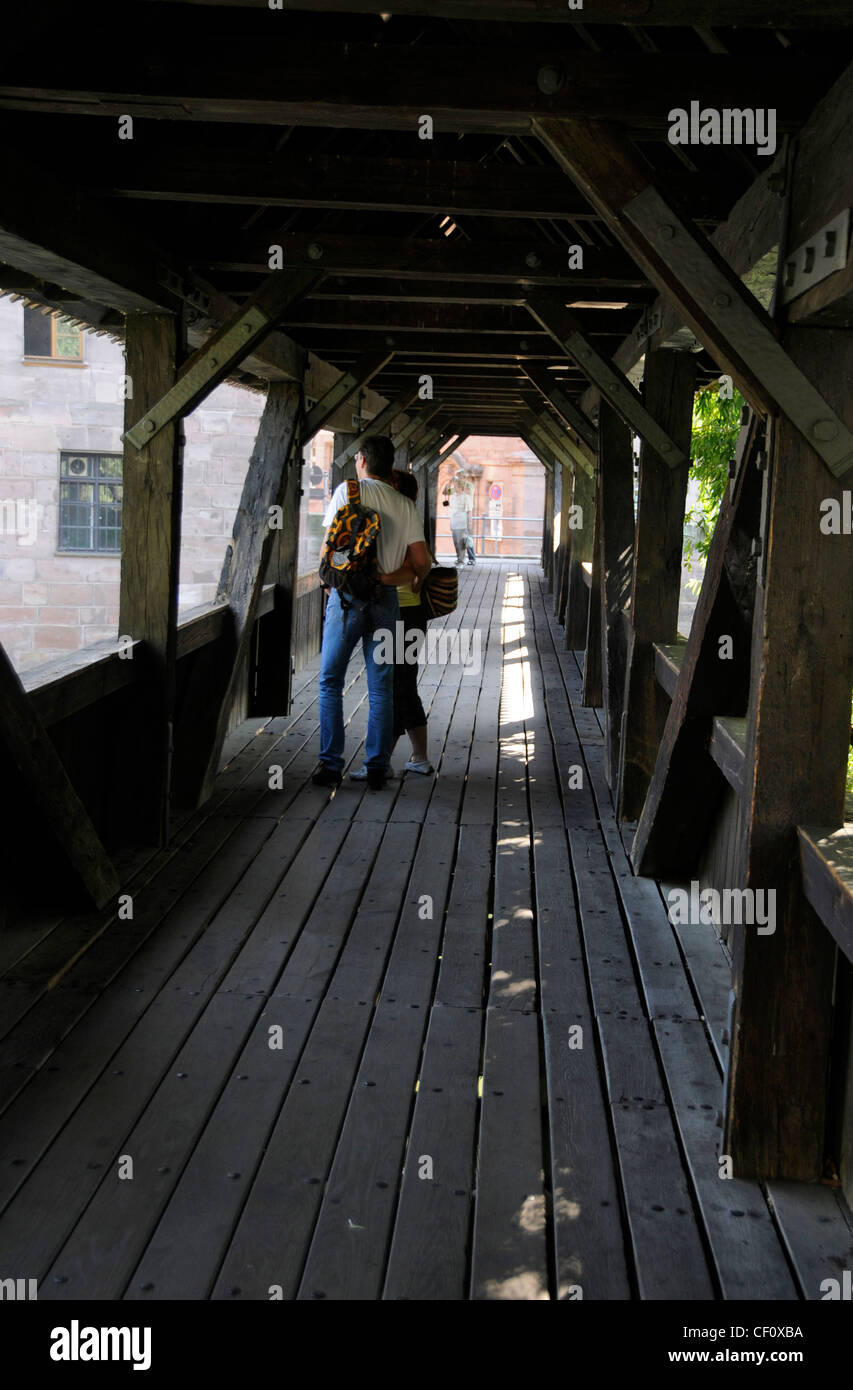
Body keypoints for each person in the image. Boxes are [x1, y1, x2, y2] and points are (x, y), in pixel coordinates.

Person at [313, 436, 431, 792]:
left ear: (362, 460)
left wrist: (331, 584)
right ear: (390, 464)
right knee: (381, 686)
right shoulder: (404, 503)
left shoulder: (346, 493)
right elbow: (422, 565)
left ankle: (331, 765)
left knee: (331, 681)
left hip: (347, 599)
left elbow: (327, 553)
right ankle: (377, 766)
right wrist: (390, 578)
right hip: (386, 600)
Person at [379, 468, 434, 778]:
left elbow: (416, 566)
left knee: (398, 686)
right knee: (402, 684)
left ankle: (390, 758)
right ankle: (416, 757)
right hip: (410, 614)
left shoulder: (399, 521)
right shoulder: (409, 520)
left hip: (402, 612)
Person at [442, 472, 475, 565]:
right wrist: (450, 481)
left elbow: (469, 509)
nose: (454, 486)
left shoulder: (468, 489)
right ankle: (460, 558)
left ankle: (467, 560)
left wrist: (469, 523)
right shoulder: (454, 492)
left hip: (464, 519)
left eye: (459, 476)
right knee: (458, 542)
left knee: (464, 541)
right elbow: (445, 492)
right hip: (455, 521)